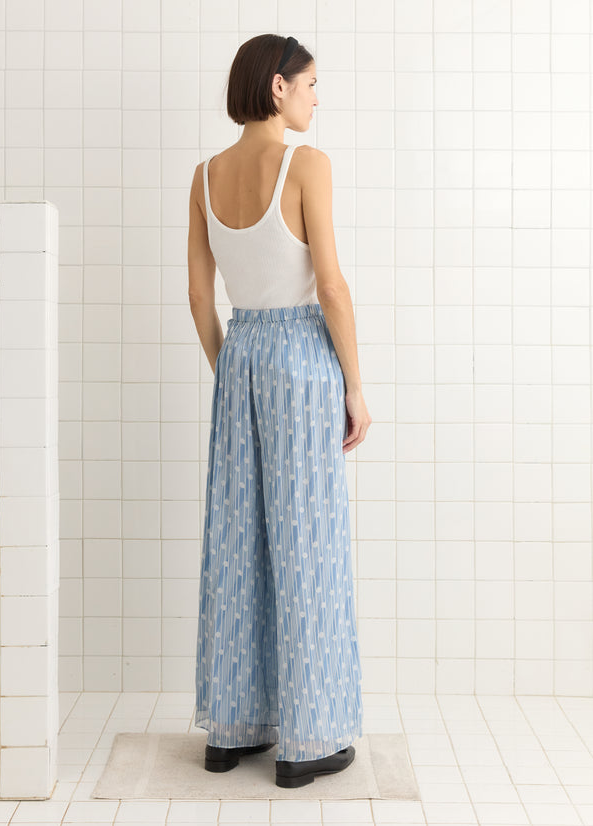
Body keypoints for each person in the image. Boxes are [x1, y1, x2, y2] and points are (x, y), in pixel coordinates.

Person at [187, 33, 372, 789]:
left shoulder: (203, 176)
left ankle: (230, 732)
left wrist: (232, 369)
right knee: (307, 544)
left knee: (237, 541)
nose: (316, 98)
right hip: (301, 357)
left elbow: (201, 299)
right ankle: (305, 742)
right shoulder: (306, 165)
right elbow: (330, 285)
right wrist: (355, 386)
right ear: (278, 89)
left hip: (241, 359)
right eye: (312, 84)